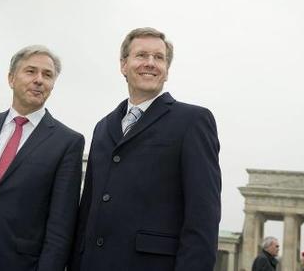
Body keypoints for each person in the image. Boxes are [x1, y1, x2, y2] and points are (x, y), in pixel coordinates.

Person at [68, 27, 221, 271]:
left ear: (167, 70)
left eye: (159, 57)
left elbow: (203, 216)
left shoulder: (193, 121)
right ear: (123, 65)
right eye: (141, 55)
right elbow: (88, 208)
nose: (150, 63)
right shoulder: (102, 127)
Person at [0, 45, 85, 271]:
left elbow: (60, 225)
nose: (39, 80)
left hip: (15, 263)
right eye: (31, 71)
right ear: (11, 78)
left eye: (47, 75)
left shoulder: (67, 142)